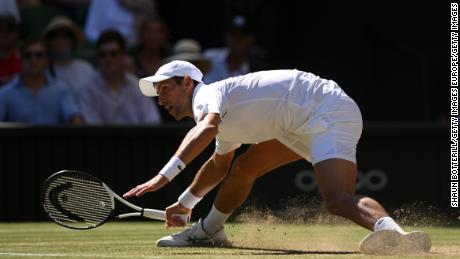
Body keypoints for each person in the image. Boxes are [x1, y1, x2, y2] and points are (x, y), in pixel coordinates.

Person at [123, 60, 431, 254]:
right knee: (243, 166)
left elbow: (207, 128)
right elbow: (219, 166)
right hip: (302, 119)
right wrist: (185, 203)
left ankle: (396, 237)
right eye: (158, 93)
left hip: (326, 108)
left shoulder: (208, 96)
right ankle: (208, 230)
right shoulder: (217, 118)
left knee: (337, 199)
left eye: (165, 89)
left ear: (187, 83)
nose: (161, 99)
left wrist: (164, 176)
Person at [75, 30, 162, 125]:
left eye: (113, 54)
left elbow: (152, 121)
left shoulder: (139, 86)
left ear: (123, 56)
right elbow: (92, 129)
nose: (108, 59)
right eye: (102, 55)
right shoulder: (86, 90)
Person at [0, 38, 82, 124]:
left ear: (47, 60)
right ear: (20, 59)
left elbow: (73, 117)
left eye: (39, 55)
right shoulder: (5, 93)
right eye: (28, 55)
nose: (33, 60)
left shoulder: (61, 89)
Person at [43, 16, 95, 94]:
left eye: (65, 35)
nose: (59, 40)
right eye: (54, 35)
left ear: (73, 41)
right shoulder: (41, 70)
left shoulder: (86, 69)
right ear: (48, 42)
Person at [203, 15, 254, 83]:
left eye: (242, 36)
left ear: (250, 40)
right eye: (233, 35)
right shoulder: (208, 58)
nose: (237, 40)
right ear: (227, 37)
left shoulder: (253, 71)